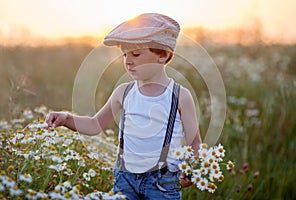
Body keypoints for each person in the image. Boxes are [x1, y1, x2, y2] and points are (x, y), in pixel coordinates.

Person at [46, 13, 201, 200]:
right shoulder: (123, 92)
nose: (128, 61)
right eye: (125, 54)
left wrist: (191, 170)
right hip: (125, 179)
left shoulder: (180, 96)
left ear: (163, 55)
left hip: (162, 184)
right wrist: (67, 119)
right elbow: (95, 124)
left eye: (136, 54)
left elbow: (194, 143)